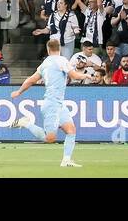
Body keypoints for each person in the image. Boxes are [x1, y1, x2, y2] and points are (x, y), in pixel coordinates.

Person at [9, 37, 93, 168]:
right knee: (50, 138)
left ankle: (66, 160)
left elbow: (31, 80)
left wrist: (19, 92)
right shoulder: (62, 60)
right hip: (52, 104)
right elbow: (75, 76)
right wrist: (86, 75)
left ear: (48, 50)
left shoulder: (44, 64)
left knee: (71, 130)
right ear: (59, 49)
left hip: (59, 104)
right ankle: (26, 123)